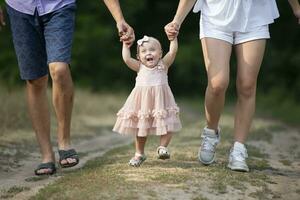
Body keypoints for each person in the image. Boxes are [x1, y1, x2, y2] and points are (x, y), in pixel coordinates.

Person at [0, 0, 134, 175]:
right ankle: (46, 155)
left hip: (59, 6)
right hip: (20, 8)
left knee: (59, 69)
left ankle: (64, 142)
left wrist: (119, 18)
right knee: (35, 80)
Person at [165, 0, 300, 172]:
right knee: (217, 83)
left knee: (247, 85)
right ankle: (211, 133)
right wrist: (177, 20)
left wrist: (296, 8)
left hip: (254, 16)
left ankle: (238, 148)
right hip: (216, 15)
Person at [113, 35, 182, 167]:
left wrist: (173, 39)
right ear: (138, 57)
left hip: (161, 102)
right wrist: (125, 45)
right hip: (143, 104)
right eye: (143, 51)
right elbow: (126, 59)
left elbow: (173, 51)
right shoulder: (139, 67)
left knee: (168, 124)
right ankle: (139, 153)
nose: (148, 53)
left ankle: (162, 147)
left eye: (152, 50)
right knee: (141, 128)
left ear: (160, 53)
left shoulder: (164, 64)